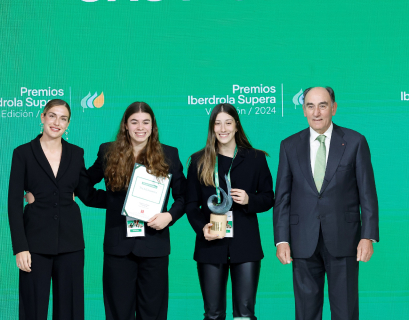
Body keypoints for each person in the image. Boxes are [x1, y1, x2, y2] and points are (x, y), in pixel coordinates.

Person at [273, 87, 379, 320]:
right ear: (303, 110)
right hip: (302, 241)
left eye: (322, 105)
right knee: (306, 313)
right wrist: (281, 240)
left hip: (345, 239)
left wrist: (367, 236)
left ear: (334, 108)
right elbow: (282, 197)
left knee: (345, 312)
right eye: (310, 106)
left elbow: (368, 193)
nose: (316, 112)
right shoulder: (289, 145)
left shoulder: (354, 141)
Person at [86, 101, 186, 320]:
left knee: (153, 312)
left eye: (145, 122)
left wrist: (169, 216)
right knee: (118, 313)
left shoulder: (169, 154)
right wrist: (115, 203)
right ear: (125, 126)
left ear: (153, 126)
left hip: (154, 244)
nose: (140, 127)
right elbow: (85, 185)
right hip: (118, 244)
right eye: (134, 122)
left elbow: (184, 196)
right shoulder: (108, 151)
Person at [8, 99, 106, 320]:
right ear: (42, 117)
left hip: (71, 244)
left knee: (70, 311)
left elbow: (87, 194)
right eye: (52, 115)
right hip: (34, 245)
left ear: (68, 123)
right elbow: (14, 203)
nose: (57, 122)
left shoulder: (76, 153)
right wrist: (20, 247)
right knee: (32, 310)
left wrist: (124, 201)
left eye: (63, 118)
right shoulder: (22, 153)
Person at [186, 103, 274, 320]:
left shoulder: (255, 158)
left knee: (244, 314)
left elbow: (269, 197)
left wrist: (248, 199)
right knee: (213, 314)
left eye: (228, 123)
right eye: (217, 123)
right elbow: (190, 204)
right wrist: (201, 228)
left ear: (236, 126)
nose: (223, 128)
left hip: (246, 246)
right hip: (210, 245)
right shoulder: (198, 161)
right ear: (212, 128)